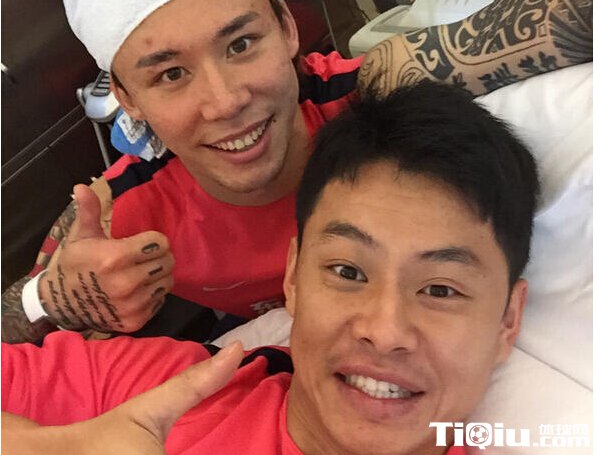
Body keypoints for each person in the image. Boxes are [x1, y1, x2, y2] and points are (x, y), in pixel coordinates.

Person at [1, 0, 590, 344]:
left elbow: (560, 15)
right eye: (171, 74)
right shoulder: (117, 214)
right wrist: (48, 300)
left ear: (286, 29)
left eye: (240, 45)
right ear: (127, 98)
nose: (226, 101)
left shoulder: (367, 95)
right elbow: (13, 324)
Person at [2, 81, 538, 455]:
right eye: (349, 272)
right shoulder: (161, 390)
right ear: (293, 278)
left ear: (507, 322)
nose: (385, 331)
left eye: (440, 290)